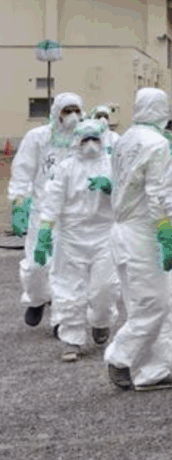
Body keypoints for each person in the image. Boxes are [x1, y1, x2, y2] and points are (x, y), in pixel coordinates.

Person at [104, 88, 172, 391]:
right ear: (162, 109)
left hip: (121, 231)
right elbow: (158, 195)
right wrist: (166, 234)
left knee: (149, 303)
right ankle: (120, 357)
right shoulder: (158, 144)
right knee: (156, 304)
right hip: (144, 232)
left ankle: (153, 371)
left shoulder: (124, 139)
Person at [33, 118, 119, 361]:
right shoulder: (65, 167)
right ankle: (71, 339)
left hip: (105, 235)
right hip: (71, 237)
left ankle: (101, 321)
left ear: (102, 140)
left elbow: (128, 200)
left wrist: (113, 188)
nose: (90, 144)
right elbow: (52, 202)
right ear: (76, 141)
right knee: (68, 289)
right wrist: (44, 234)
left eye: (95, 139)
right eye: (85, 139)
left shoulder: (112, 166)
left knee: (105, 287)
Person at [8, 92, 84, 328]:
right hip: (40, 213)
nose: (72, 116)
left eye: (76, 110)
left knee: (67, 271)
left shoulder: (85, 139)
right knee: (35, 266)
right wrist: (19, 204)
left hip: (71, 215)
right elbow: (23, 171)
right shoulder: (38, 137)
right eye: (66, 110)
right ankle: (37, 298)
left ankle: (63, 321)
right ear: (56, 112)